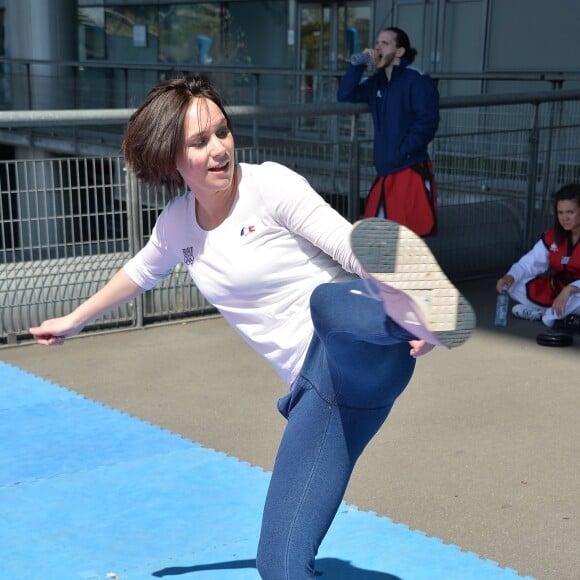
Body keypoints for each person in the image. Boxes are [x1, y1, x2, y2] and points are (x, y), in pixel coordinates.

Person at [29, 75, 475, 579]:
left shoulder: (270, 185)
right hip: (320, 395)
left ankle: (409, 308)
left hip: (358, 344)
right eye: (199, 142)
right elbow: (139, 272)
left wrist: (410, 298)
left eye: (222, 132)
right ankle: (402, 310)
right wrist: (72, 321)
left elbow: (349, 243)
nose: (219, 149)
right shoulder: (177, 225)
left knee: (327, 302)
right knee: (279, 565)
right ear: (170, 160)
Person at [337, 26, 439, 237]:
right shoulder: (378, 82)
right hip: (386, 170)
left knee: (405, 239)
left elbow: (428, 121)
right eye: (376, 43)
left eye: (384, 43)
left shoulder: (417, 80)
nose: (377, 47)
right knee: (380, 239)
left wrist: (403, 151)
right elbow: (345, 95)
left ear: (399, 52)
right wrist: (357, 66)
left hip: (408, 167)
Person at [496, 183, 580, 330]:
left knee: (563, 308)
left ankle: (545, 315)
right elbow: (529, 263)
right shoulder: (553, 235)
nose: (564, 218)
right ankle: (555, 315)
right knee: (511, 286)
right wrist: (510, 276)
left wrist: (571, 289)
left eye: (570, 212)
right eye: (560, 213)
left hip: (576, 294)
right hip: (558, 289)